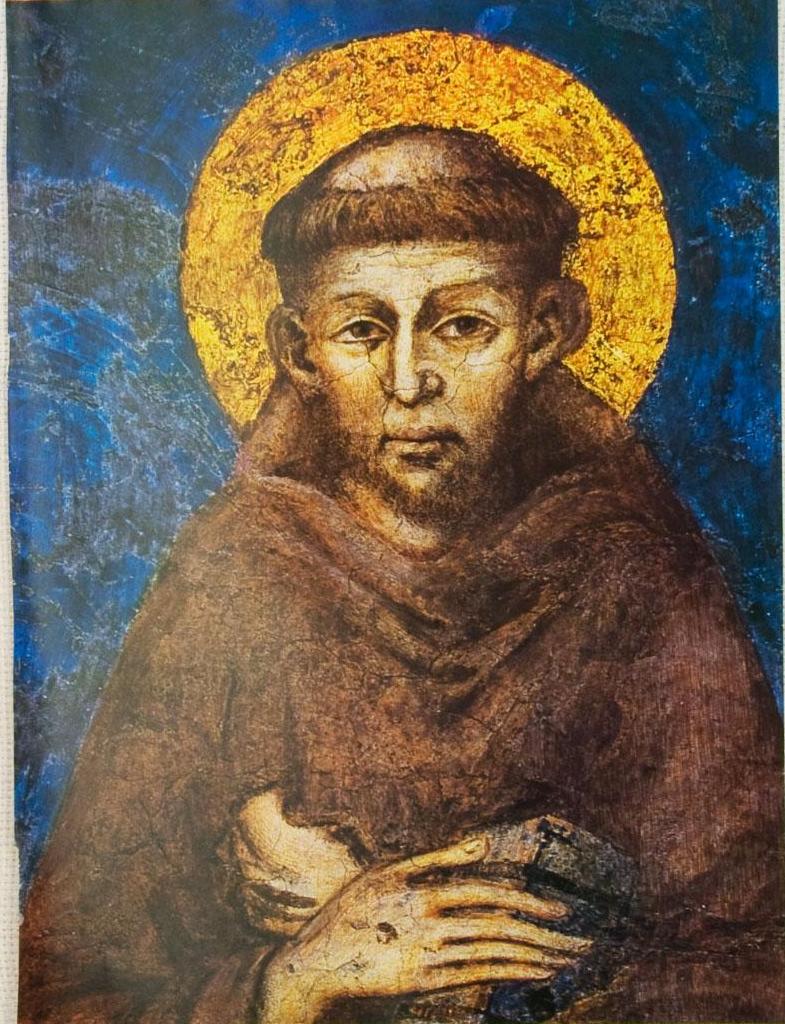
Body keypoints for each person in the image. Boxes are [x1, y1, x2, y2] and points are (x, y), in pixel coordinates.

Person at [18, 126, 784, 1024]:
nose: (411, 381)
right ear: (297, 350)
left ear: (545, 332)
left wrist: (455, 970)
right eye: (362, 330)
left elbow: (751, 964)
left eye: (463, 326)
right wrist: (293, 978)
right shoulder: (229, 579)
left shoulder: (637, 581)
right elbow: (67, 991)